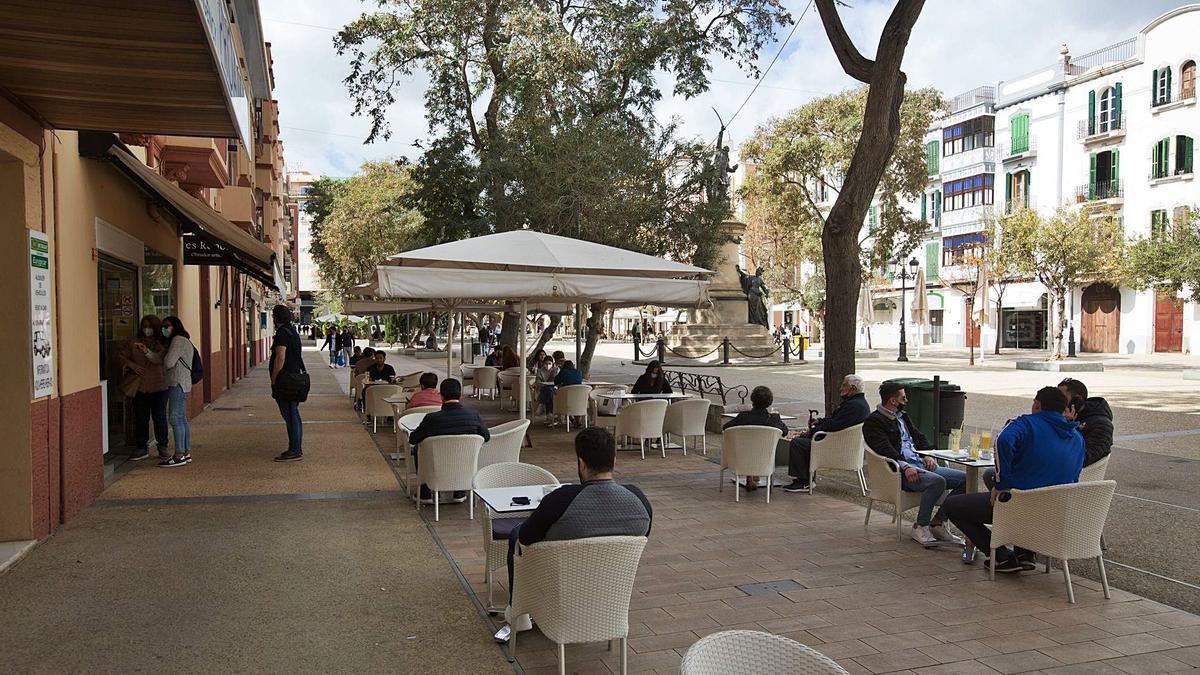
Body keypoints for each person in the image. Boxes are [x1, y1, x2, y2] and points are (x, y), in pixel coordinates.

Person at [494, 427, 652, 643]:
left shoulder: (561, 500)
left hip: (559, 581)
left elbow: (527, 538)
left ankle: (518, 612)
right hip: (611, 584)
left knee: (515, 534)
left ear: (581, 463)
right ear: (614, 460)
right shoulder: (639, 501)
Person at [944, 387, 1085, 573]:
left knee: (952, 505)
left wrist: (1003, 484)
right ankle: (1024, 553)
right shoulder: (1077, 437)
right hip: (1055, 511)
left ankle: (1001, 556)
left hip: (1021, 507)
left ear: (1037, 404)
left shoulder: (1025, 424)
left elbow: (1003, 440)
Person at [862, 382, 966, 547]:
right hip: (898, 472)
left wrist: (928, 455)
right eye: (903, 397)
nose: (907, 400)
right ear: (893, 401)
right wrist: (905, 466)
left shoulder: (902, 416)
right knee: (938, 481)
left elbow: (919, 437)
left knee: (965, 479)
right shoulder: (874, 421)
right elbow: (884, 449)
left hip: (920, 463)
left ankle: (938, 522)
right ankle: (920, 526)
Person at [783, 374, 871, 493]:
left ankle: (804, 481)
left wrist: (813, 431)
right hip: (845, 445)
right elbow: (836, 420)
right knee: (803, 440)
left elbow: (834, 426)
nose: (841, 388)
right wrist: (819, 421)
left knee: (798, 443)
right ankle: (805, 479)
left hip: (838, 448)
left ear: (853, 389)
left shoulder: (853, 406)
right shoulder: (857, 403)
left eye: (844, 385)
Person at [408, 379, 490, 500]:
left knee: (417, 449)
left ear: (441, 396)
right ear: (460, 396)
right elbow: (486, 437)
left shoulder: (432, 419)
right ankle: (460, 490)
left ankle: (425, 491)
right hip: (463, 465)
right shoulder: (474, 416)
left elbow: (413, 439)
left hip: (436, 467)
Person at [120, 315, 169, 461]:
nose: (146, 329)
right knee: (141, 417)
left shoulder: (161, 343)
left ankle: (162, 446)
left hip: (160, 385)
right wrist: (131, 365)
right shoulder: (133, 342)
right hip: (140, 386)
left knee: (159, 417)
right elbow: (122, 356)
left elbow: (159, 359)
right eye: (144, 326)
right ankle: (141, 447)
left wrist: (146, 351)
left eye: (149, 326)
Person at [723, 386, 788, 491]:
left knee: (748, 447)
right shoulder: (773, 419)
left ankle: (750, 476)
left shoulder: (743, 417)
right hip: (765, 457)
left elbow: (725, 428)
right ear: (769, 402)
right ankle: (756, 474)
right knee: (762, 448)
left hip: (742, 457)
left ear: (752, 400)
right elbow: (785, 432)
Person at [154, 316, 196, 467]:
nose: (164, 329)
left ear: (175, 326)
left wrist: (165, 353)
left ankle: (179, 454)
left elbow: (168, 362)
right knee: (181, 418)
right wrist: (147, 352)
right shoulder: (181, 340)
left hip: (178, 383)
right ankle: (185, 451)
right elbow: (158, 359)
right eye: (163, 326)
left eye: (167, 326)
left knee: (175, 417)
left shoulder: (178, 340)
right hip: (182, 383)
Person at [269, 305, 305, 462]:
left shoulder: (282, 334)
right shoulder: (292, 332)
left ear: (276, 318)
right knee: (293, 413)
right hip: (294, 377)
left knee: (291, 415)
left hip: (285, 380)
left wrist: (274, 379)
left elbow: (280, 357)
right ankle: (296, 447)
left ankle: (294, 449)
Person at [1058, 378, 1113, 467]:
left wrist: (1067, 427)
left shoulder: (1101, 425)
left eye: (1062, 399)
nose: (1057, 402)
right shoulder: (1065, 416)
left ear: (1077, 400)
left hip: (1074, 475)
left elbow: (1083, 458)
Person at [534, 355, 559, 421]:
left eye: (549, 363)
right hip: (542, 390)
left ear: (552, 364)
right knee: (548, 391)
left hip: (554, 390)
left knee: (549, 391)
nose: (547, 365)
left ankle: (542, 404)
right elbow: (537, 382)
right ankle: (550, 414)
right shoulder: (540, 371)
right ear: (543, 363)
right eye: (546, 363)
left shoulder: (555, 370)